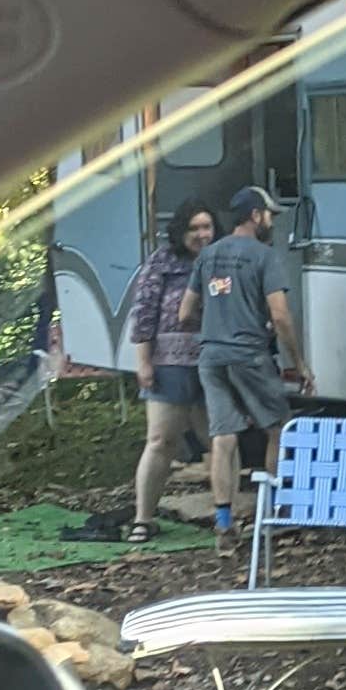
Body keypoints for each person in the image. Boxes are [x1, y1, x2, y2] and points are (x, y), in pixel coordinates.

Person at [179, 187, 313, 547]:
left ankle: (224, 524)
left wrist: (216, 326)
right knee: (277, 427)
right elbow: (280, 316)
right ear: (256, 216)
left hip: (212, 357)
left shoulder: (208, 256)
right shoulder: (263, 256)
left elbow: (185, 313)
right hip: (249, 354)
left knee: (223, 437)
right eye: (269, 215)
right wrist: (298, 364)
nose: (271, 221)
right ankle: (274, 515)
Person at [123, 202, 216, 546]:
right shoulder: (162, 261)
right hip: (169, 361)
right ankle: (143, 519)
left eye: (207, 227)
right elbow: (144, 310)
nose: (202, 235)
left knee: (219, 440)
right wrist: (144, 361)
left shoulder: (219, 260)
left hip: (213, 362)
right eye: (194, 228)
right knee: (162, 440)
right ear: (181, 232)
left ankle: (227, 514)